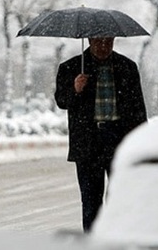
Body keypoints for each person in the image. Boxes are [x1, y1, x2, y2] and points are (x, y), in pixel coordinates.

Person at [55, 37, 147, 232]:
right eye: (99, 42)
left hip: (120, 142)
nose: (104, 46)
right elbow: (61, 100)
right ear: (89, 40)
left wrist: (141, 143)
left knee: (121, 200)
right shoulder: (71, 67)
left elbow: (138, 109)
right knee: (90, 202)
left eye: (108, 42)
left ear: (114, 40)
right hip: (88, 143)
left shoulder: (127, 67)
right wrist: (75, 89)